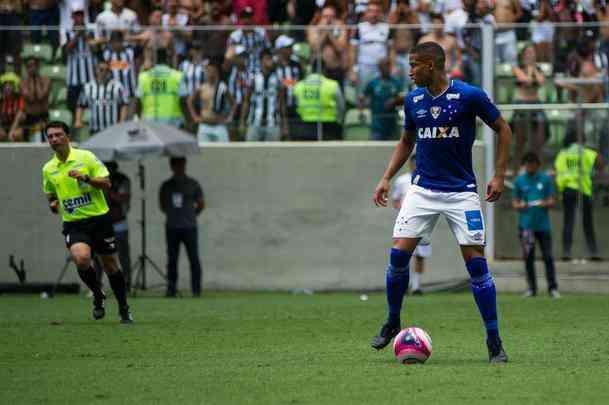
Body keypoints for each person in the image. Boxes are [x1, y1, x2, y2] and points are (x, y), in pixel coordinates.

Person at [370, 42, 512, 363]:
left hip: (461, 192)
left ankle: (494, 340)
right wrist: (386, 178)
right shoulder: (413, 100)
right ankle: (393, 320)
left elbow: (503, 129)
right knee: (397, 256)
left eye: (414, 65)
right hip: (422, 190)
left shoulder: (469, 95)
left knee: (477, 265)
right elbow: (407, 141)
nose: (409, 72)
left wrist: (499, 175)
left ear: (432, 65)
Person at [41, 121, 133, 323]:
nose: (54, 139)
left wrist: (85, 178)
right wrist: (54, 204)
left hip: (99, 219)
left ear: (67, 136)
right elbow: (51, 195)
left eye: (58, 135)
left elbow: (106, 183)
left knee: (110, 265)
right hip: (74, 223)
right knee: (82, 259)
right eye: (50, 136)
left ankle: (124, 308)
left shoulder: (86, 157)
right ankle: (98, 294)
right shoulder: (48, 169)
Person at [512, 152, 559, 298]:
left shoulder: (545, 179)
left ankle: (552, 288)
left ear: (537, 165)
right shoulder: (519, 181)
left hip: (543, 226)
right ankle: (532, 289)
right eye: (528, 164)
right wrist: (521, 205)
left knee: (548, 257)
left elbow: (552, 200)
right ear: (524, 165)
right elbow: (515, 203)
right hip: (526, 227)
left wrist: (544, 203)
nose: (530, 167)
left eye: (533, 164)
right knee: (528, 258)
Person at [159, 157, 205, 297]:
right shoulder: (166, 185)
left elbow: (201, 203)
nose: (179, 167)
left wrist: (191, 214)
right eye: (176, 165)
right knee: (172, 260)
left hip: (189, 227)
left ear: (184, 165)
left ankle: (196, 290)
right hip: (172, 227)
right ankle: (171, 290)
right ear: (172, 166)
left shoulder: (193, 183)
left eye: (181, 165)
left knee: (194, 259)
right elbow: (162, 205)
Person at [554, 130, 603, 262]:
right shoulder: (586, 152)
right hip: (583, 189)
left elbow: (557, 170)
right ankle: (592, 251)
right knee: (587, 222)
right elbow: (599, 162)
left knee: (568, 221)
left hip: (568, 189)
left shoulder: (563, 154)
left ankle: (566, 251)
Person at [390, 154, 431, 295]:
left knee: (420, 255)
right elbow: (395, 200)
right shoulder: (402, 181)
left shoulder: (427, 179)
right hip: (406, 223)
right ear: (409, 164)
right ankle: (403, 285)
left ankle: (416, 286)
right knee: (403, 255)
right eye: (413, 163)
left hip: (424, 223)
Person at [510, 44, 548, 175]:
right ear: (523, 55)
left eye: (533, 53)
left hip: (536, 104)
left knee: (538, 139)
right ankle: (516, 169)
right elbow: (524, 80)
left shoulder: (539, 68)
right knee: (520, 140)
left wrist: (533, 69)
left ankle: (538, 168)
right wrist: (531, 72)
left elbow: (541, 82)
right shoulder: (517, 68)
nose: (531, 55)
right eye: (528, 53)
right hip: (521, 104)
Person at [292, 62, 345, 141]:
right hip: (329, 127)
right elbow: (341, 107)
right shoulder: (332, 85)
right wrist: (339, 121)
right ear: (324, 70)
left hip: (305, 126)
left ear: (311, 69)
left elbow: (295, 106)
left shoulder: (299, 86)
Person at [75, 60, 129, 135]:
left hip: (112, 129)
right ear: (96, 70)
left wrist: (122, 121)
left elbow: (124, 104)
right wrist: (78, 120)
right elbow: (80, 105)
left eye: (106, 70)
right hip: (95, 129)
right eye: (101, 70)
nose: (103, 72)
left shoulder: (117, 86)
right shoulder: (88, 87)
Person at [240, 48, 283, 142]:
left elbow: (281, 103)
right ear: (261, 60)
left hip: (273, 123)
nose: (270, 61)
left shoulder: (277, 78)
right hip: (254, 122)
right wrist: (242, 122)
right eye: (268, 58)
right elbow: (246, 101)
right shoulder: (253, 77)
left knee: (274, 154)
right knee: (251, 153)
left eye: (271, 58)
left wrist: (284, 125)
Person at [136, 49, 187, 127]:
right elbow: (183, 101)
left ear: (154, 60)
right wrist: (187, 121)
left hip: (149, 121)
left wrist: (138, 118)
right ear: (168, 59)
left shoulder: (143, 77)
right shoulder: (177, 76)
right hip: (172, 122)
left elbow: (138, 102)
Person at [61, 5, 96, 118]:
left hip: (89, 78)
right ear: (72, 16)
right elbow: (66, 50)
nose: (79, 17)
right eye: (77, 15)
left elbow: (95, 49)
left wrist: (85, 35)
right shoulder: (66, 31)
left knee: (90, 108)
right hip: (73, 79)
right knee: (73, 109)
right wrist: (77, 34)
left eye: (81, 15)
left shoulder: (91, 30)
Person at [188, 62, 235, 143]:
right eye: (208, 71)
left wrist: (230, 116)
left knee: (224, 151)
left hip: (219, 125)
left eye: (213, 71)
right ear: (205, 72)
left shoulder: (222, 87)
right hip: (204, 125)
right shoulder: (202, 87)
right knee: (204, 153)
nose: (210, 73)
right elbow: (190, 101)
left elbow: (233, 103)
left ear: (216, 72)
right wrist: (194, 116)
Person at [104, 161, 132, 291]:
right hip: (103, 222)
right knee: (100, 256)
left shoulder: (123, 179)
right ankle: (96, 285)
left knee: (123, 255)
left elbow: (122, 198)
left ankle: (126, 284)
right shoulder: (99, 178)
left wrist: (108, 189)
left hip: (119, 222)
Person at [360, 57, 403, 141]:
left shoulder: (396, 83)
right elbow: (362, 97)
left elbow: (404, 98)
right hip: (377, 123)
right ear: (379, 67)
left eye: (388, 65)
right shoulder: (373, 83)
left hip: (392, 122)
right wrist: (362, 110)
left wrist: (394, 101)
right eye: (384, 66)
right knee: (375, 149)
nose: (386, 68)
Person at [20, 56, 51, 141]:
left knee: (46, 144)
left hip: (43, 116)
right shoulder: (23, 82)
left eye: (34, 65)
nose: (32, 68)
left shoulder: (46, 80)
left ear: (38, 67)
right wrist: (32, 81)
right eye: (29, 66)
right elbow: (30, 97)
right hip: (29, 117)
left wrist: (36, 80)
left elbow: (41, 96)